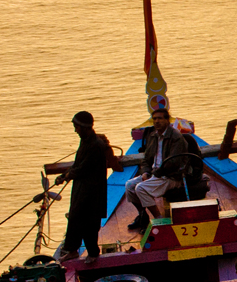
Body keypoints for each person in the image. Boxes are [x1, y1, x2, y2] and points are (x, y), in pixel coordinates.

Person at [122, 95, 198, 235]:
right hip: (155, 174)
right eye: (155, 119)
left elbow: (174, 162)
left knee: (141, 188)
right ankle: (142, 215)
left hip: (172, 176)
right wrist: (145, 172)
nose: (157, 121)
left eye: (160, 118)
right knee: (129, 186)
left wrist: (155, 174)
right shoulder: (153, 136)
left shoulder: (176, 137)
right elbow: (146, 159)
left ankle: (158, 219)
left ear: (166, 121)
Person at [53, 111, 116, 261]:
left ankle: (93, 253)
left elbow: (83, 168)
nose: (76, 130)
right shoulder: (85, 141)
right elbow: (78, 163)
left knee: (90, 221)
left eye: (77, 127)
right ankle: (72, 249)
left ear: (85, 127)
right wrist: (65, 175)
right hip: (81, 188)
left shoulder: (96, 145)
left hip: (93, 190)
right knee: (75, 217)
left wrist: (66, 176)